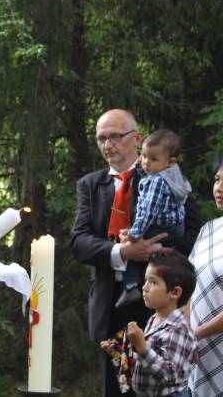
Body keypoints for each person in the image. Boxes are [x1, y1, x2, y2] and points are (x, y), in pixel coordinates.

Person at [70, 109, 202, 397]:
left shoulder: (165, 176)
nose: (108, 145)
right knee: (115, 388)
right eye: (101, 139)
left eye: (115, 136)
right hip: (111, 304)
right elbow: (79, 242)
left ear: (137, 138)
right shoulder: (90, 185)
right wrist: (123, 252)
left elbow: (193, 231)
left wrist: (159, 254)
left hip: (159, 307)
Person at [100, 251, 196, 397]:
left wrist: (142, 347)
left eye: (153, 282)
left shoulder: (179, 329)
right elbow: (147, 361)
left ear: (175, 292)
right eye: (145, 280)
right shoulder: (154, 319)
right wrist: (118, 351)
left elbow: (169, 375)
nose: (144, 287)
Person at [116, 129, 192, 308]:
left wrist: (134, 234)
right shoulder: (174, 175)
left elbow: (148, 212)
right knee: (157, 257)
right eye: (143, 156)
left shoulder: (157, 181)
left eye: (153, 159)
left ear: (170, 162)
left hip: (161, 226)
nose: (146, 163)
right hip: (175, 227)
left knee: (132, 248)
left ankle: (130, 286)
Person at [188, 155, 223, 397]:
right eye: (217, 179)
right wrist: (186, 334)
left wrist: (194, 334)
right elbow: (188, 285)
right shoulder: (208, 229)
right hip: (198, 350)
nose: (219, 188)